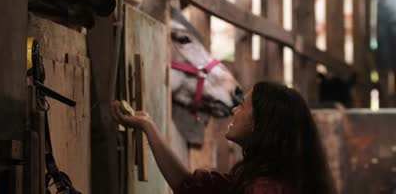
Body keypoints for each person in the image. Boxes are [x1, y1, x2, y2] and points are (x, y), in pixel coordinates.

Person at [111, 81, 336, 194]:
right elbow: (189, 187)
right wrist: (147, 125)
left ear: (260, 123)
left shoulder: (264, 188)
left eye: (243, 106)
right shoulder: (262, 179)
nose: (235, 110)